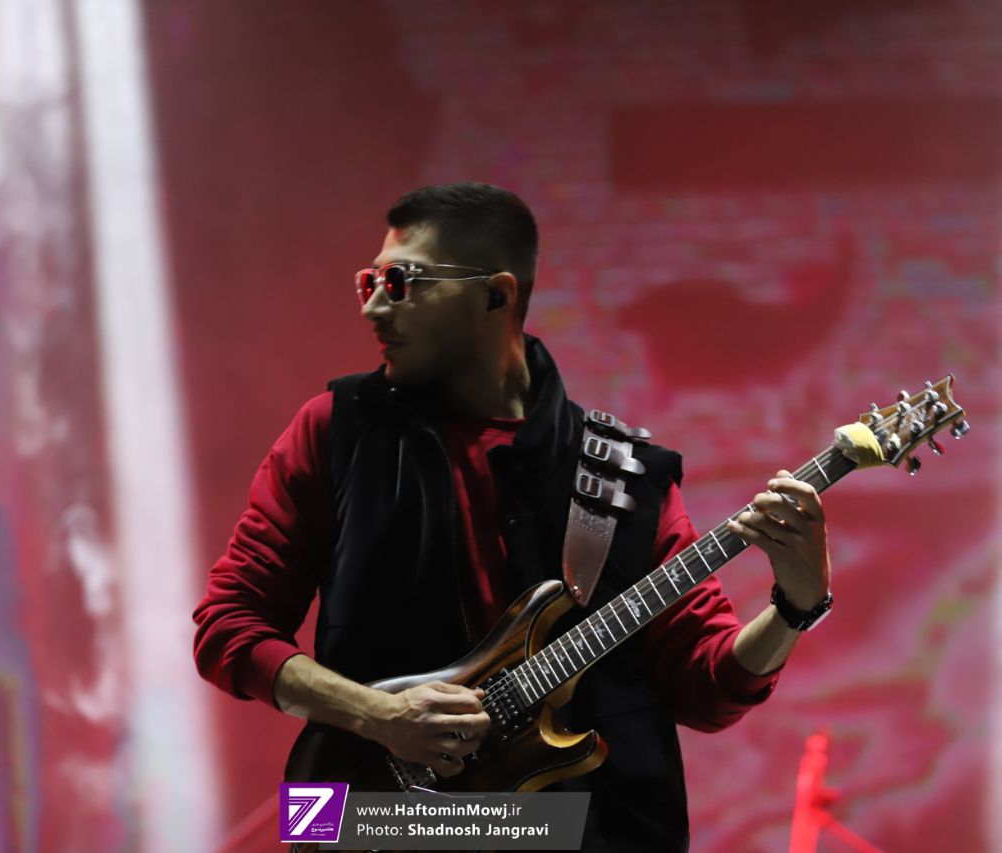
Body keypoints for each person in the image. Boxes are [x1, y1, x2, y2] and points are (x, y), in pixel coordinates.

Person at [193, 183, 832, 851]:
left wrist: (794, 606)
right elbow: (227, 626)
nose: (375, 306)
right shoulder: (334, 428)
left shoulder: (629, 474)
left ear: (496, 295)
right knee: (335, 821)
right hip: (357, 820)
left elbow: (708, 690)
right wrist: (379, 715)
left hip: (579, 834)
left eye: (402, 282)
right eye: (370, 283)